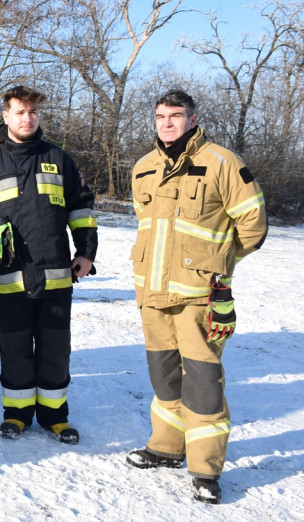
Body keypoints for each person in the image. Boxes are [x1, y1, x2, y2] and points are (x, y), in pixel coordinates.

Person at [126, 89, 267, 504]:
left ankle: (206, 469)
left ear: (192, 118)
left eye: (175, 115)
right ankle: (166, 447)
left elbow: (253, 225)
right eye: (160, 116)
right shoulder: (143, 167)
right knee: (164, 375)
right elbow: (145, 222)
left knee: (203, 383)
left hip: (199, 297)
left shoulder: (223, 163)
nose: (167, 122)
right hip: (152, 293)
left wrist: (218, 262)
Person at [0, 85, 96, 445]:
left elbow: (81, 209)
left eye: (33, 112)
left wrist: (86, 252)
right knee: (15, 347)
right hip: (10, 278)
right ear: (6, 116)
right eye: (20, 112)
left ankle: (54, 417)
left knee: (55, 349)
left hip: (55, 276)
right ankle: (16, 415)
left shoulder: (59, 158)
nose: (27, 118)